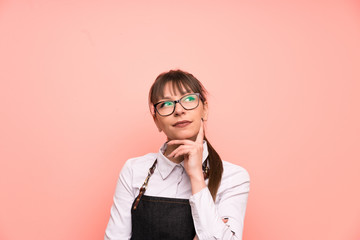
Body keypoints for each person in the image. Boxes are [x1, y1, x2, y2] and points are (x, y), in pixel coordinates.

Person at [104, 69, 250, 240]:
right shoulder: (134, 170)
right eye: (166, 104)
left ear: (205, 110)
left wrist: (196, 177)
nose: (179, 110)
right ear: (156, 120)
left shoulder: (233, 177)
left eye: (189, 99)